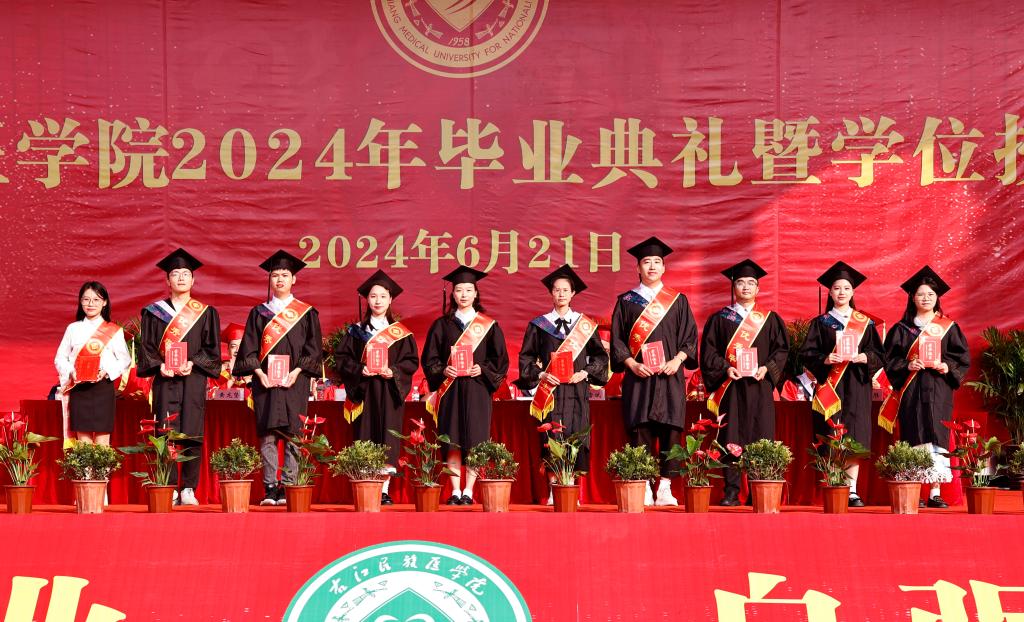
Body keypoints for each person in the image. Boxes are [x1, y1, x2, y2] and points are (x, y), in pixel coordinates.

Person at [610, 237, 699, 506]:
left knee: (671, 431)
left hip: (669, 377)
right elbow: (617, 340)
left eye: (657, 262)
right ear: (637, 267)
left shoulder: (677, 301)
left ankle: (665, 488)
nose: (652, 266)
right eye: (646, 262)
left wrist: (677, 360)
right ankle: (646, 487)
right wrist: (632, 364)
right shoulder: (626, 301)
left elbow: (690, 338)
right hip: (640, 378)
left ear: (664, 267)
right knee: (641, 430)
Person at [233, 250, 323, 506]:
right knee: (268, 434)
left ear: (294, 279)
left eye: (285, 275)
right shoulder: (259, 313)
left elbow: (313, 350)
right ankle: (270, 487)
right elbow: (249, 349)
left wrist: (297, 372)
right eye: (275, 275)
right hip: (266, 382)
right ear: (269, 280)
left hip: (295, 382)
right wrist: (259, 374)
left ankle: (290, 485)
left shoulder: (306, 313)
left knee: (293, 433)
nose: (280, 279)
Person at [517, 265, 609, 504]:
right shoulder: (539, 325)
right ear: (551, 293)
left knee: (575, 436)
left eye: (565, 290)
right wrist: (541, 375)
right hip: (551, 392)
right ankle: (553, 491)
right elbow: (526, 358)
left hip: (576, 391)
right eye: (556, 290)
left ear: (573, 293)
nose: (561, 294)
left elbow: (600, 357)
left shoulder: (584, 325)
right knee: (551, 438)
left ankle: (571, 491)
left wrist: (585, 373)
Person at [700, 259, 789, 506]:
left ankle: (757, 488)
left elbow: (781, 351)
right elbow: (709, 353)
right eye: (740, 282)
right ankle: (731, 490)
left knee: (760, 434)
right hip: (731, 387)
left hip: (760, 387)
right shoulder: (720, 319)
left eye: (751, 283)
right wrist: (726, 369)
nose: (746, 287)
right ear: (734, 287)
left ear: (758, 288)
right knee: (731, 434)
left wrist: (766, 368)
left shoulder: (769, 320)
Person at [137, 249, 222, 505]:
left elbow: (212, 350)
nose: (181, 278)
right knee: (166, 430)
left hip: (193, 379)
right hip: (165, 380)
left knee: (192, 431)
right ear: (167, 280)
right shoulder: (154, 313)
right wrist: (160, 366)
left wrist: (193, 362)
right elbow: (147, 348)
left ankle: (188, 489)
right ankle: (169, 485)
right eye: (175, 274)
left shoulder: (206, 313)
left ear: (193, 280)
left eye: (186, 274)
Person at [881, 266, 970, 508]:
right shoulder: (902, 329)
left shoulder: (948, 326)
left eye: (931, 294)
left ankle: (935, 491)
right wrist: (908, 364)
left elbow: (961, 357)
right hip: (912, 389)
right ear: (912, 297)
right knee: (914, 433)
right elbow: (889, 359)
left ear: (937, 297)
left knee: (937, 435)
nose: (926, 298)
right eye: (921, 294)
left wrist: (946, 366)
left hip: (939, 389)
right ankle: (915, 489)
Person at [421, 265, 509, 506]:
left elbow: (500, 360)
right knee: (452, 440)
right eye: (459, 290)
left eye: (468, 290)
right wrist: (442, 370)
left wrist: (483, 370)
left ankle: (469, 490)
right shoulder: (441, 325)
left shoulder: (489, 326)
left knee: (475, 440)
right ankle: (455, 490)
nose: (463, 294)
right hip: (450, 389)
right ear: (452, 294)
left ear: (476, 293)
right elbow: (429, 359)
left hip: (477, 389)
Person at [800, 262, 883, 507]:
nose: (842, 292)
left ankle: (852, 489)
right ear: (830, 292)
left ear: (853, 291)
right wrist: (826, 359)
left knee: (854, 434)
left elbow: (879, 354)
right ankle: (835, 482)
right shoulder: (821, 323)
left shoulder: (865, 323)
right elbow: (807, 353)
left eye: (846, 288)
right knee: (830, 433)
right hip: (830, 386)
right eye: (837, 288)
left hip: (857, 385)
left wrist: (864, 357)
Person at [335, 270, 419, 505]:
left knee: (388, 437)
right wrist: (360, 369)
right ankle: (366, 485)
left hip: (390, 392)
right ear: (367, 300)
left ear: (390, 299)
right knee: (366, 435)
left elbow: (411, 362)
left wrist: (394, 371)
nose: (378, 301)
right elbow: (342, 359)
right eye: (373, 296)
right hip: (365, 391)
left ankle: (384, 489)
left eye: (383, 296)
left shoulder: (401, 334)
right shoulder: (356, 332)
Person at [54, 281, 132, 446]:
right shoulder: (73, 329)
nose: (91, 304)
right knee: (83, 441)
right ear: (80, 302)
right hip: (79, 388)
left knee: (103, 440)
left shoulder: (113, 330)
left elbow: (125, 359)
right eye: (86, 299)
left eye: (96, 300)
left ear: (104, 302)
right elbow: (60, 358)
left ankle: (102, 466)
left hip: (103, 388)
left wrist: (107, 371)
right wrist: (71, 371)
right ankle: (85, 466)